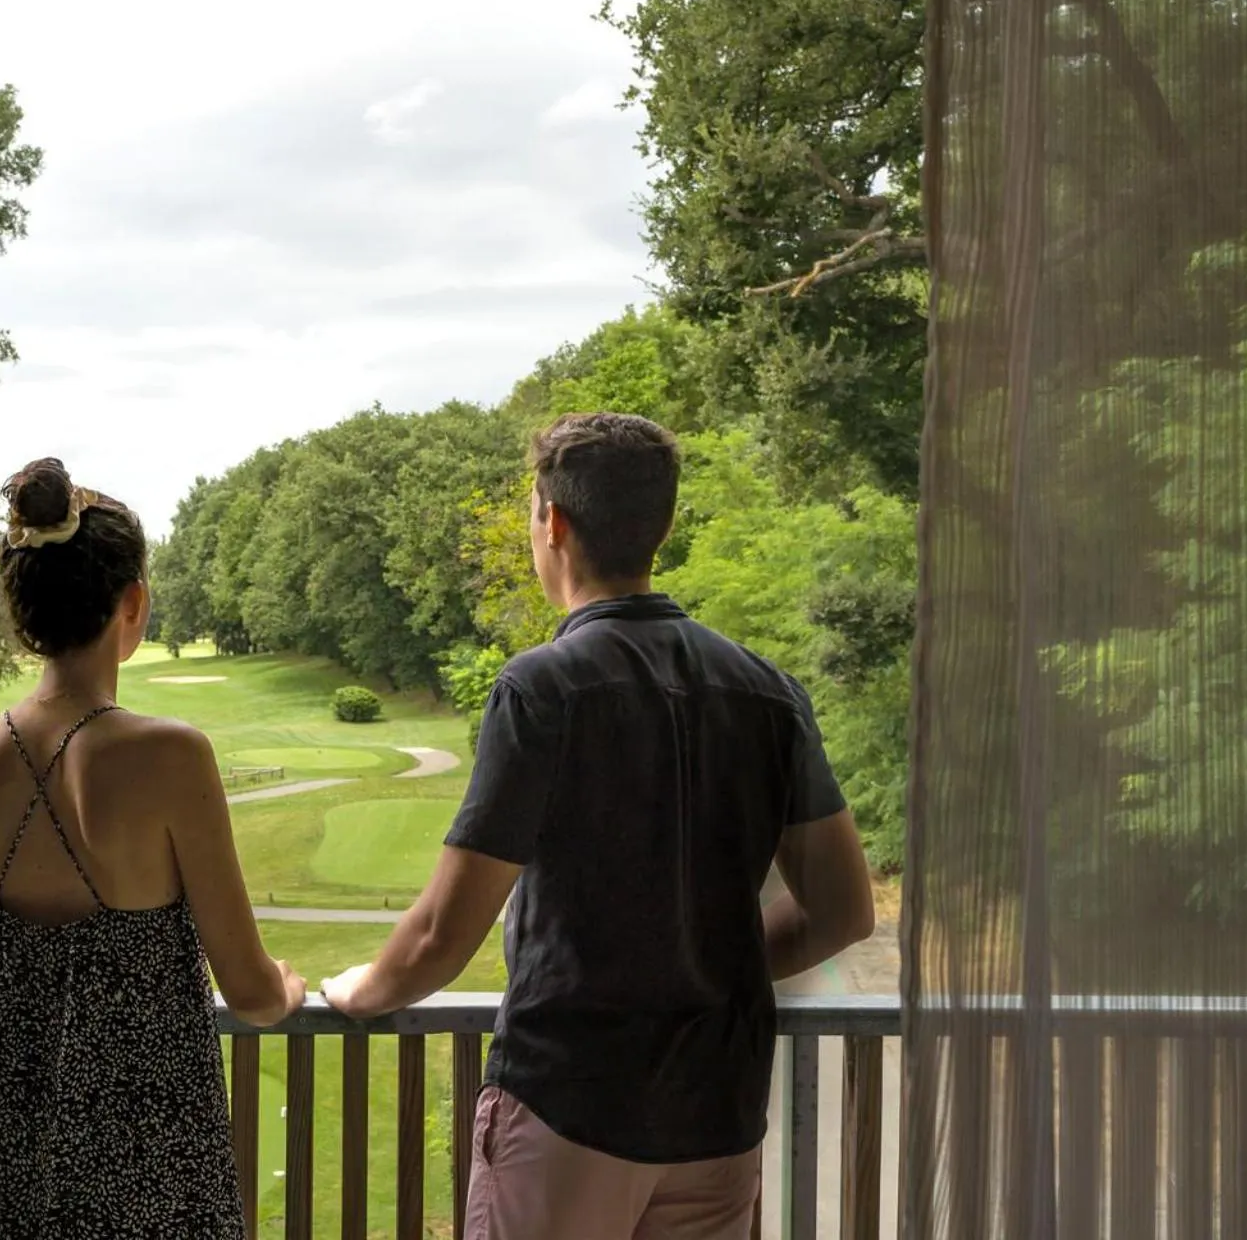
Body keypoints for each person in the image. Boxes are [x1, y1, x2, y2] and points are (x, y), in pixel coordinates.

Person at [322, 413, 876, 1240]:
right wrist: (697, 964)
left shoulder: (541, 689)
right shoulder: (768, 691)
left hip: (568, 1106)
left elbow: (444, 929)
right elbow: (843, 911)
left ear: (553, 521)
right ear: (664, 525)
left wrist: (359, 991)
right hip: (716, 1116)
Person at [0, 458, 306, 1240]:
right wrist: (286, 987)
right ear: (134, 603)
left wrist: (34, 990)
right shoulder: (171, 756)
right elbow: (250, 991)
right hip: (156, 1173)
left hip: (20, 1174)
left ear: (22, 610)